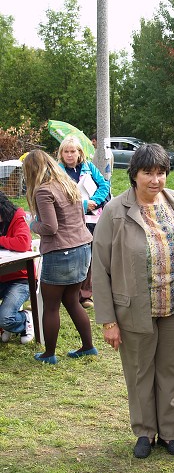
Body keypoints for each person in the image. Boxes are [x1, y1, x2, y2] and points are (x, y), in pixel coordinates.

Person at [92, 143, 174, 459]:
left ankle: (170, 432)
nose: (155, 180)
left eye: (161, 172)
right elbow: (99, 268)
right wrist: (108, 320)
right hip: (133, 308)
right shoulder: (115, 211)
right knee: (140, 371)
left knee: (169, 370)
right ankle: (144, 432)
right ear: (134, 174)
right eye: (148, 172)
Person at [22, 150, 97, 364]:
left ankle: (49, 354)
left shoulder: (44, 191)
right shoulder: (67, 184)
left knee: (51, 305)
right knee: (72, 300)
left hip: (60, 253)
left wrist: (31, 224)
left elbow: (50, 227)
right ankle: (88, 346)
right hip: (82, 247)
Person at [58, 135, 110, 309]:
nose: (70, 155)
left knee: (91, 255)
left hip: (92, 218)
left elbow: (104, 186)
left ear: (79, 152)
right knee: (73, 254)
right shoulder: (58, 172)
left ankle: (86, 294)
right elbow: (59, 196)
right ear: (61, 153)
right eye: (66, 151)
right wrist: (84, 205)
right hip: (70, 220)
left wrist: (94, 201)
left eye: (73, 151)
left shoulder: (89, 167)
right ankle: (69, 293)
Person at [0, 192, 34, 344]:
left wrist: (0, 240)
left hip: (20, 279)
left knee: (6, 318)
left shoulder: (17, 217)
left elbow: (23, 243)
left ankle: (25, 319)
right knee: (4, 318)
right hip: (2, 276)